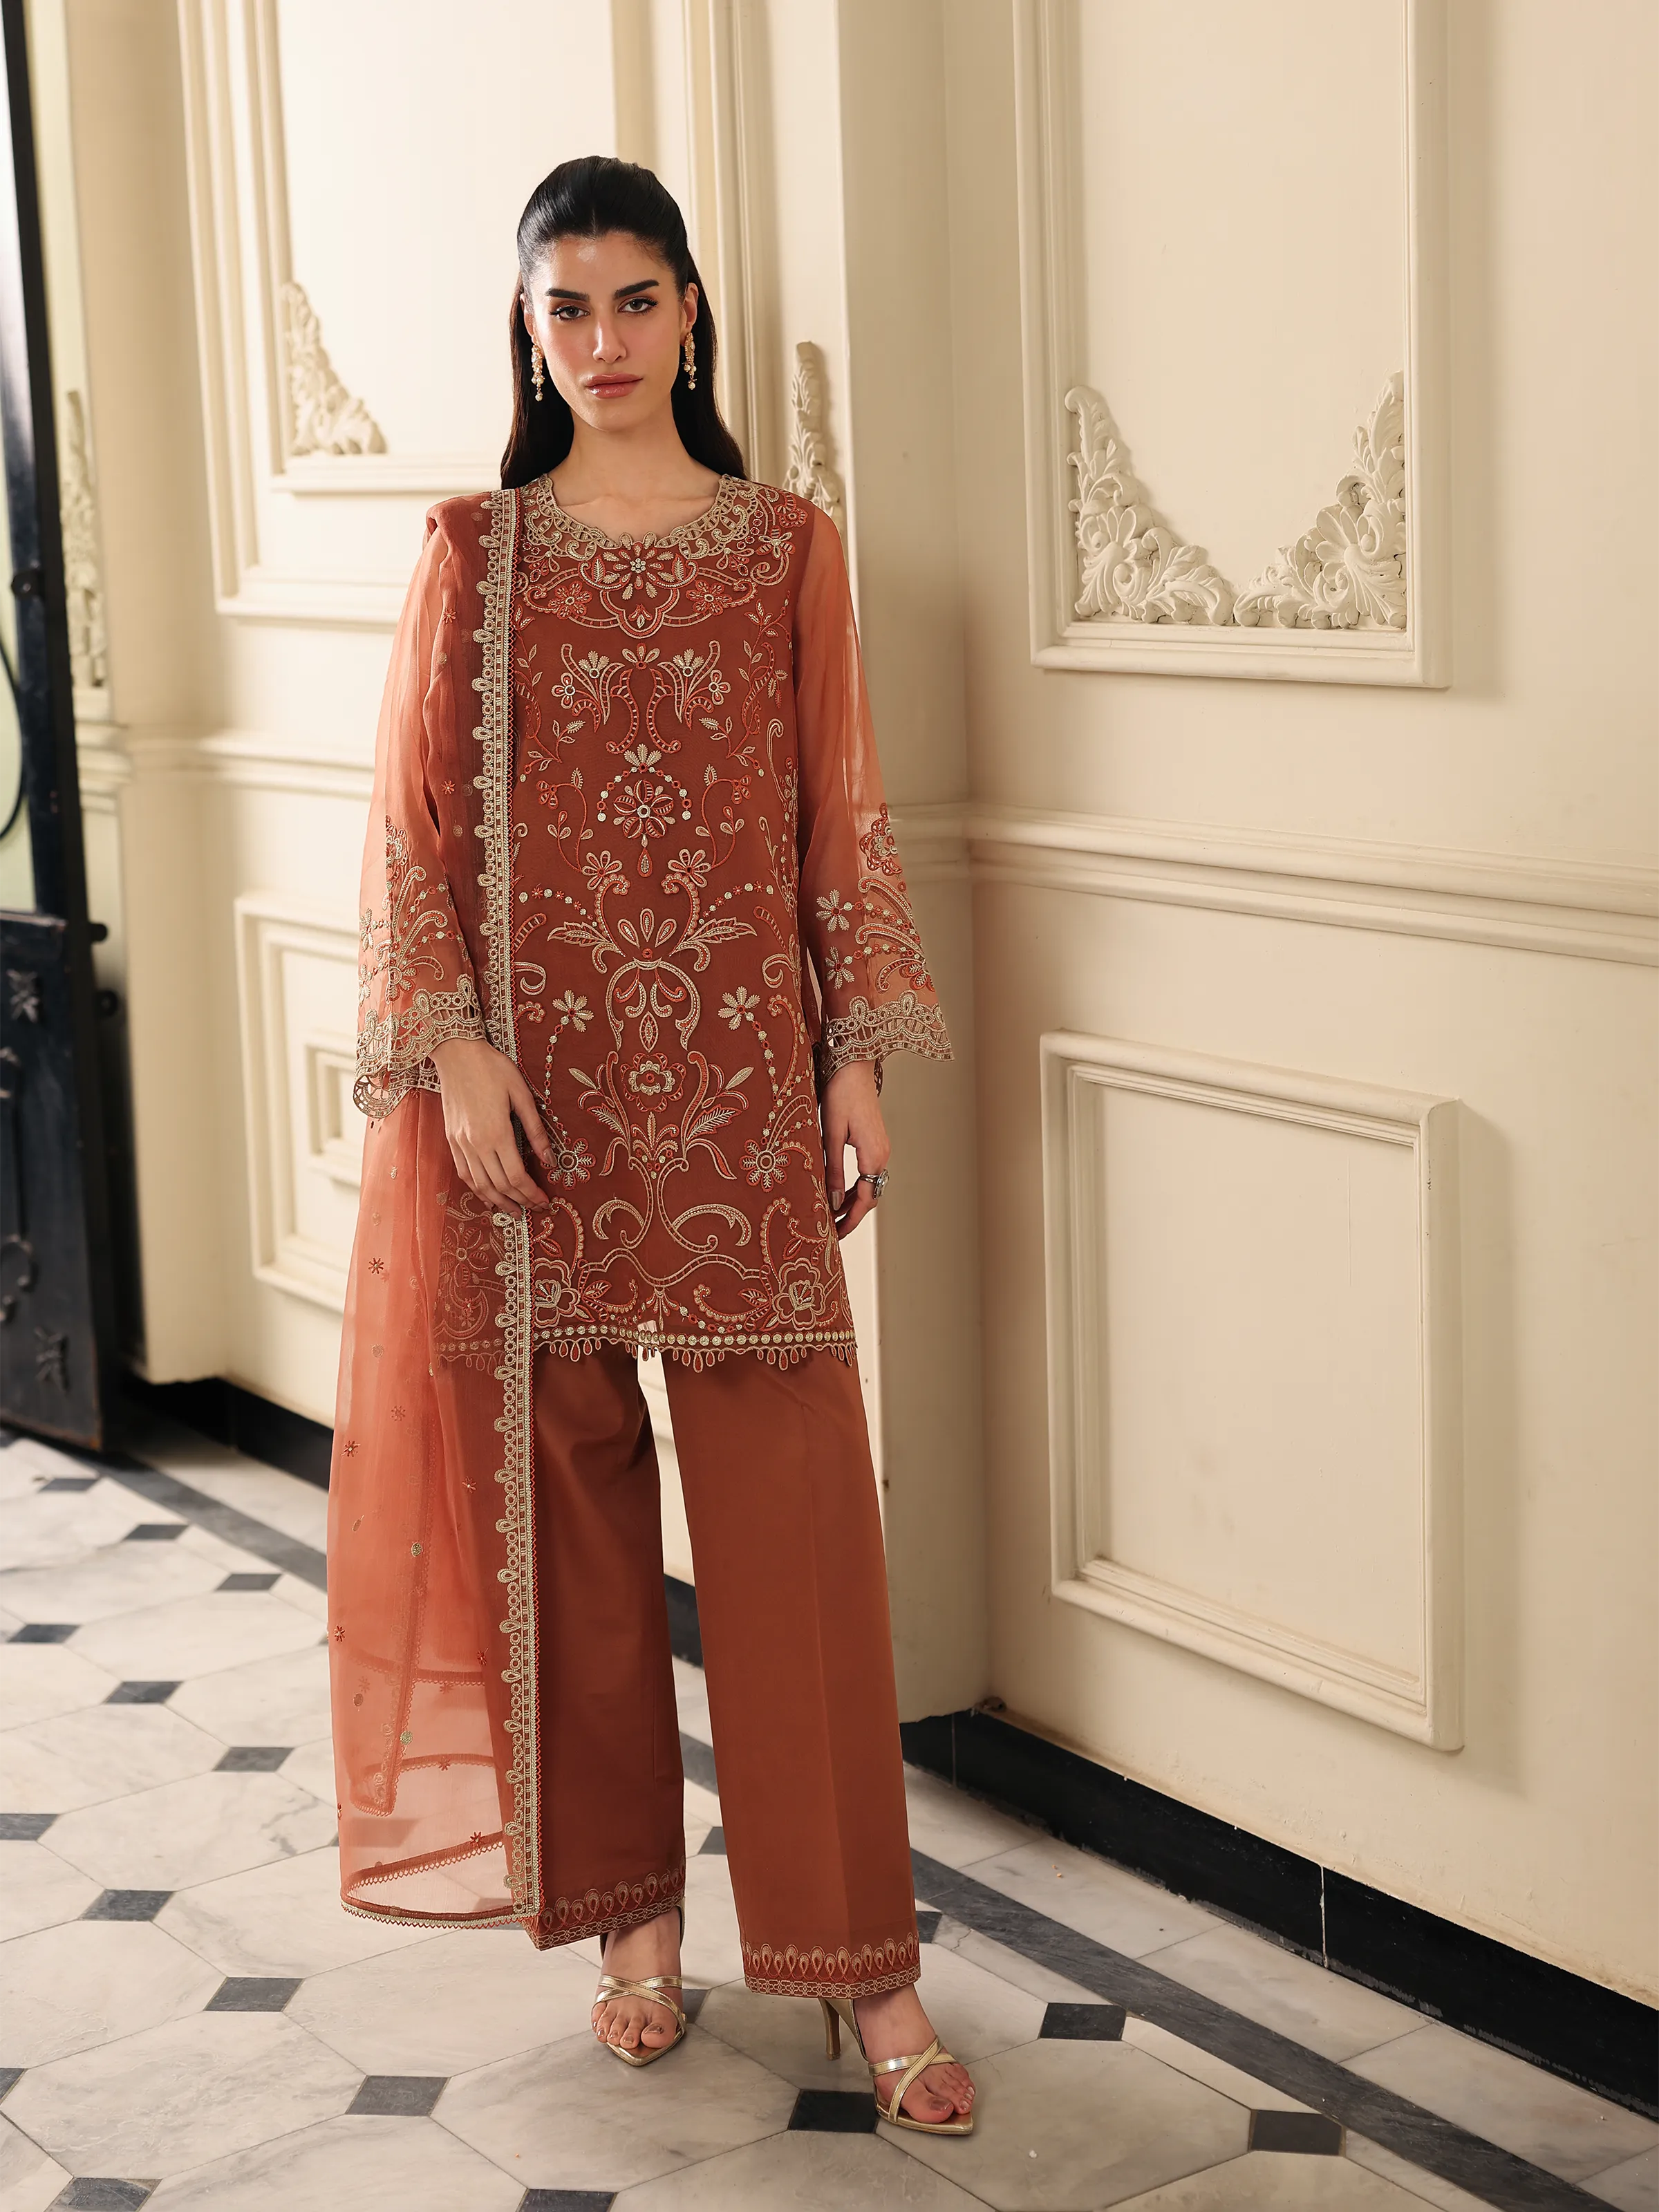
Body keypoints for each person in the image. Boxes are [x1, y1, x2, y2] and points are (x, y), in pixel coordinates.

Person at [326, 154, 973, 2134]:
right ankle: (633, 1929)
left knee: (799, 1542)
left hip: (741, 1095)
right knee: (578, 1543)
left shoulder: (787, 549)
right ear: (528, 334)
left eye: (634, 299)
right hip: (538, 1116)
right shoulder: (478, 552)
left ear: (690, 312)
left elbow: (840, 813)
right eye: (566, 308)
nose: (601, 341)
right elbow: (414, 830)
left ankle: (865, 1967)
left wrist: (854, 1056)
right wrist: (456, 1060)